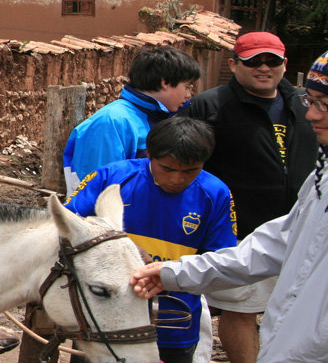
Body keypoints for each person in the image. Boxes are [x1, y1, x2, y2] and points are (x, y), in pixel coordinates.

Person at [130, 49, 328, 363]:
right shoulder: (322, 180)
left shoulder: (213, 193)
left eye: (322, 105)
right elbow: (277, 244)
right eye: (310, 101)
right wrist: (174, 272)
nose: (311, 115)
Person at [177, 32, 317, 363]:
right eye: (254, 61)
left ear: (285, 64)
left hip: (301, 230)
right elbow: (184, 161)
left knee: (297, 311)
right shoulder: (210, 106)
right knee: (241, 311)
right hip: (240, 232)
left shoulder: (304, 103)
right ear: (234, 64)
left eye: (272, 61)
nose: (263, 67)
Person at [65, 117, 237, 363]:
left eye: (190, 171)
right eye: (167, 168)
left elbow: (221, 259)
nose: (177, 179)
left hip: (173, 319)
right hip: (104, 315)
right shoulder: (111, 176)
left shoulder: (215, 193)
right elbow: (66, 226)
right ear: (149, 155)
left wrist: (173, 275)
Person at [63, 46, 202, 195]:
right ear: (165, 82)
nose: (189, 95)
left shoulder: (155, 119)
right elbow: (98, 189)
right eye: (187, 86)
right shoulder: (112, 122)